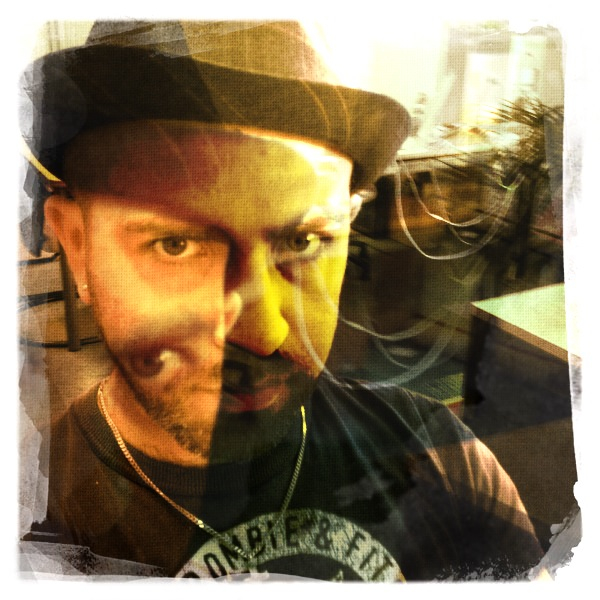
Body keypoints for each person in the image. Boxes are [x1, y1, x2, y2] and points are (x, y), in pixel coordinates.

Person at [19, 20, 545, 581]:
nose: (262, 331)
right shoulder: (29, 526)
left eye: (303, 241)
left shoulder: (442, 458)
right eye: (177, 245)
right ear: (77, 245)